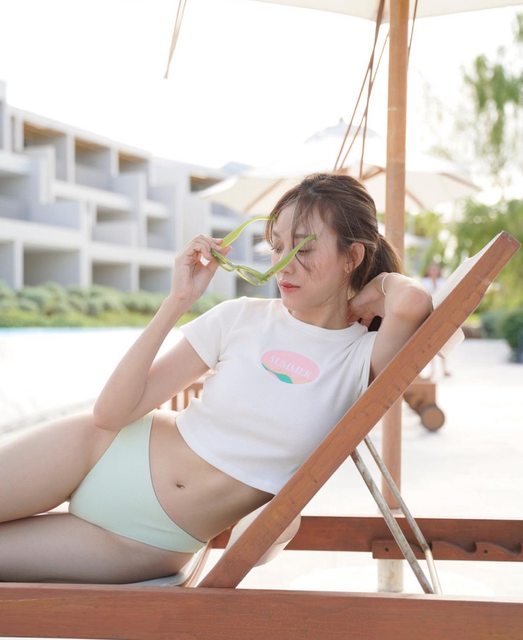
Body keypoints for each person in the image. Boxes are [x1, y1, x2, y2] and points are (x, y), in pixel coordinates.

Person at [0, 173, 432, 584]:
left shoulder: (362, 355)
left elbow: (412, 301)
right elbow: (109, 414)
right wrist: (178, 299)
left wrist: (374, 289)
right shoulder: (239, 317)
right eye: (276, 246)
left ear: (352, 257)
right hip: (98, 450)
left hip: (147, 540)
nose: (283, 265)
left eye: (303, 248)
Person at [421, 261, 451, 377]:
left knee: (443, 342)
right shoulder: (424, 282)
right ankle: (432, 370)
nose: (433, 271)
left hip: (441, 314)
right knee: (430, 343)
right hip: (429, 315)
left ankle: (444, 369)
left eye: (435, 269)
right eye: (431, 269)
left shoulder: (442, 282)